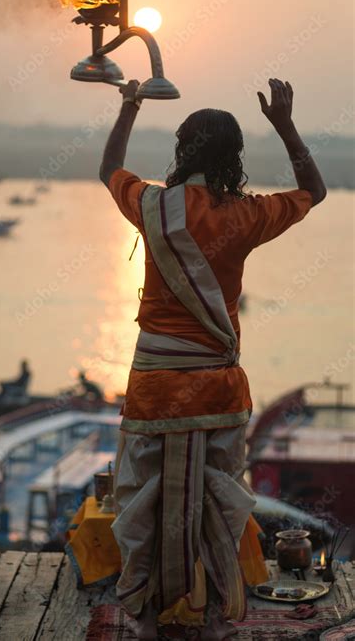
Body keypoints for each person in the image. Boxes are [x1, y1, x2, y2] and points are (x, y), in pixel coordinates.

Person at [99, 78, 326, 640]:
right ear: (234, 157)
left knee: (144, 503)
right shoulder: (246, 216)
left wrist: (128, 107)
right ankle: (216, 616)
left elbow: (108, 169)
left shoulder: (152, 205)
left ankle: (148, 619)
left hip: (154, 390)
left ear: (182, 150)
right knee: (217, 505)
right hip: (218, 391)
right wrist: (286, 125)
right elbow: (315, 192)